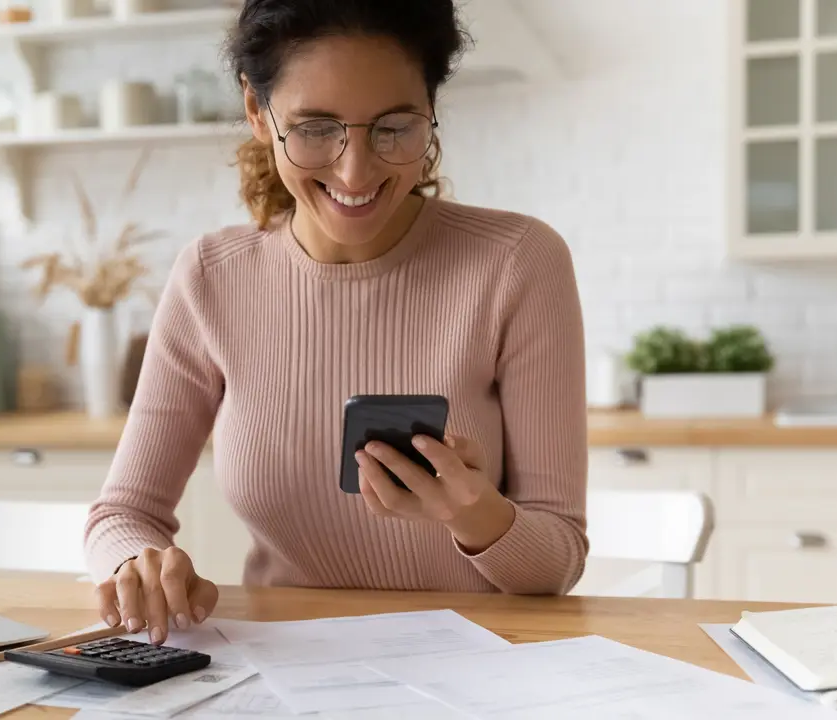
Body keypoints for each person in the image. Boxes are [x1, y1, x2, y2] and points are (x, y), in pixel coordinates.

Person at [83, 0, 589, 645]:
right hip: (286, 665)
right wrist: (137, 564)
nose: (356, 170)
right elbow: (122, 514)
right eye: (316, 127)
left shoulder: (516, 262)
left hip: (478, 662)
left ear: (431, 111)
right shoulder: (212, 277)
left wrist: (478, 515)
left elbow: (557, 562)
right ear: (256, 112)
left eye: (394, 127)